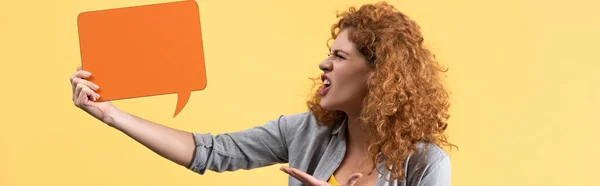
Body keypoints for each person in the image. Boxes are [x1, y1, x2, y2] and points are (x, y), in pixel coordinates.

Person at [69, 1, 455, 186]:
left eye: (338, 56)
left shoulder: (424, 164)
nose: (323, 64)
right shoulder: (305, 132)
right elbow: (210, 152)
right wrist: (111, 115)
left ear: (379, 76)